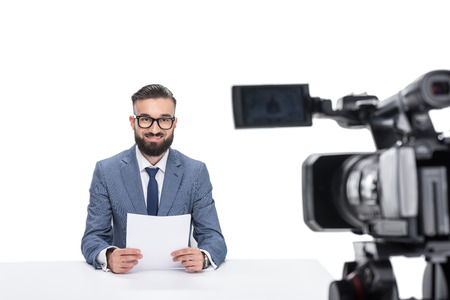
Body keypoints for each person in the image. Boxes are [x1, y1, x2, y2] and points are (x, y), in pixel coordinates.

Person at [81, 84, 227, 273]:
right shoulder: (106, 171)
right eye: (145, 119)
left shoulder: (195, 172)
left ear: (174, 123)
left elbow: (214, 237)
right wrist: (108, 257)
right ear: (133, 122)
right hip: (122, 284)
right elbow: (92, 238)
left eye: (164, 120)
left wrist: (204, 257)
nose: (155, 129)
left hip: (181, 282)